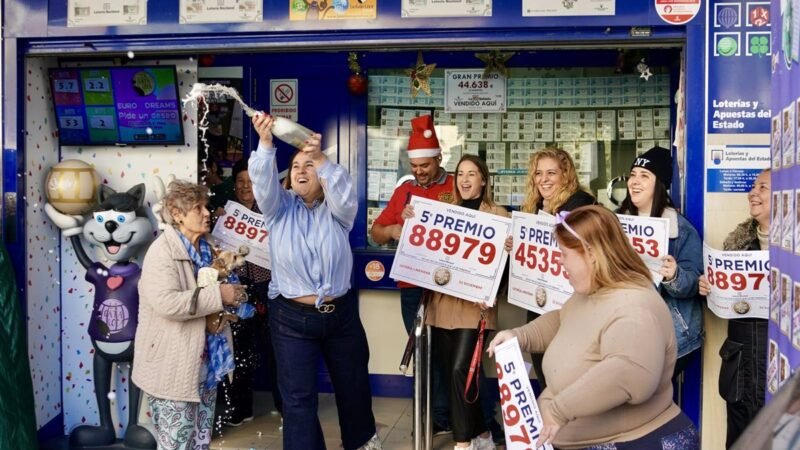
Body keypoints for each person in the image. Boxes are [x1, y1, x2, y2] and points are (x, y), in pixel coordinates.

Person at [488, 205, 699, 450]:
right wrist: (518, 336)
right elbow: (564, 320)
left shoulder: (636, 307)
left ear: (591, 254)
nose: (559, 261)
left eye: (565, 254)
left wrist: (559, 410)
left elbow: (630, 375)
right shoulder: (594, 292)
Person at [248, 113, 380, 450]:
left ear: (322, 176)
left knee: (353, 390)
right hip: (291, 319)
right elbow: (262, 184)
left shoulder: (339, 213)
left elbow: (345, 192)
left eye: (310, 166)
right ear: (288, 178)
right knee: (298, 400)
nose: (302, 170)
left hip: (341, 317)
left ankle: (362, 444)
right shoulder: (278, 210)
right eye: (296, 167)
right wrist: (265, 143)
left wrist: (319, 156)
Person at [403, 155, 508, 450]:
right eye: (460, 173)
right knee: (454, 373)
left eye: (471, 174)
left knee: (462, 369)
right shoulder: (444, 211)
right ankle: (484, 433)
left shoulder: (500, 216)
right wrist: (414, 221)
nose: (464, 179)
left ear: (484, 180)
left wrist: (505, 262)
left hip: (475, 308)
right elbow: (423, 248)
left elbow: (507, 271)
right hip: (443, 305)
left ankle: (463, 442)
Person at [132, 180, 246, 449]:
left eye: (206, 206)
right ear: (177, 213)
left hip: (206, 366)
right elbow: (168, 303)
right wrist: (220, 296)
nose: (207, 213)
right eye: (198, 208)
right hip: (172, 367)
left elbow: (218, 296)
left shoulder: (210, 249)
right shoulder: (161, 253)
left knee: (200, 442)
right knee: (175, 443)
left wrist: (235, 297)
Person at [369, 114, 455, 433]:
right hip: (412, 285)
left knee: (447, 352)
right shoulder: (404, 190)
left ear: (438, 159)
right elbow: (376, 232)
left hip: (449, 286)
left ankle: (445, 416)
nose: (418, 172)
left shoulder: (455, 185)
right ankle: (429, 415)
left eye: (425, 166)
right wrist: (394, 228)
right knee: (422, 350)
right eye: (414, 166)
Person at [507, 147, 596, 391]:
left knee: (566, 373)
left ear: (565, 175)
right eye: (538, 173)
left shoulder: (580, 202)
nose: (543, 179)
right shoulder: (534, 206)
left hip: (569, 303)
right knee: (543, 366)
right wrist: (515, 245)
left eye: (551, 173)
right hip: (538, 300)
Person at [616, 147, 703, 378]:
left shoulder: (681, 230)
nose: (635, 181)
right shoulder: (614, 222)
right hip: (621, 330)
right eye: (633, 175)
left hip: (668, 336)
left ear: (660, 184)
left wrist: (674, 276)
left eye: (644, 176)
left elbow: (694, 283)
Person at [698, 169, 771, 448]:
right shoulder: (735, 244)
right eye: (753, 187)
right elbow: (724, 306)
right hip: (740, 365)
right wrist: (709, 289)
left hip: (779, 364)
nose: (753, 193)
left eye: (762, 187)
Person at [217, 158, 283, 426]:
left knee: (276, 350)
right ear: (235, 186)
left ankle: (284, 405)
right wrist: (218, 222)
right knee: (240, 351)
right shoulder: (225, 214)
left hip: (268, 289)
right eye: (241, 182)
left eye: (251, 182)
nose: (245, 187)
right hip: (237, 289)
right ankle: (241, 408)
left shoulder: (271, 211)